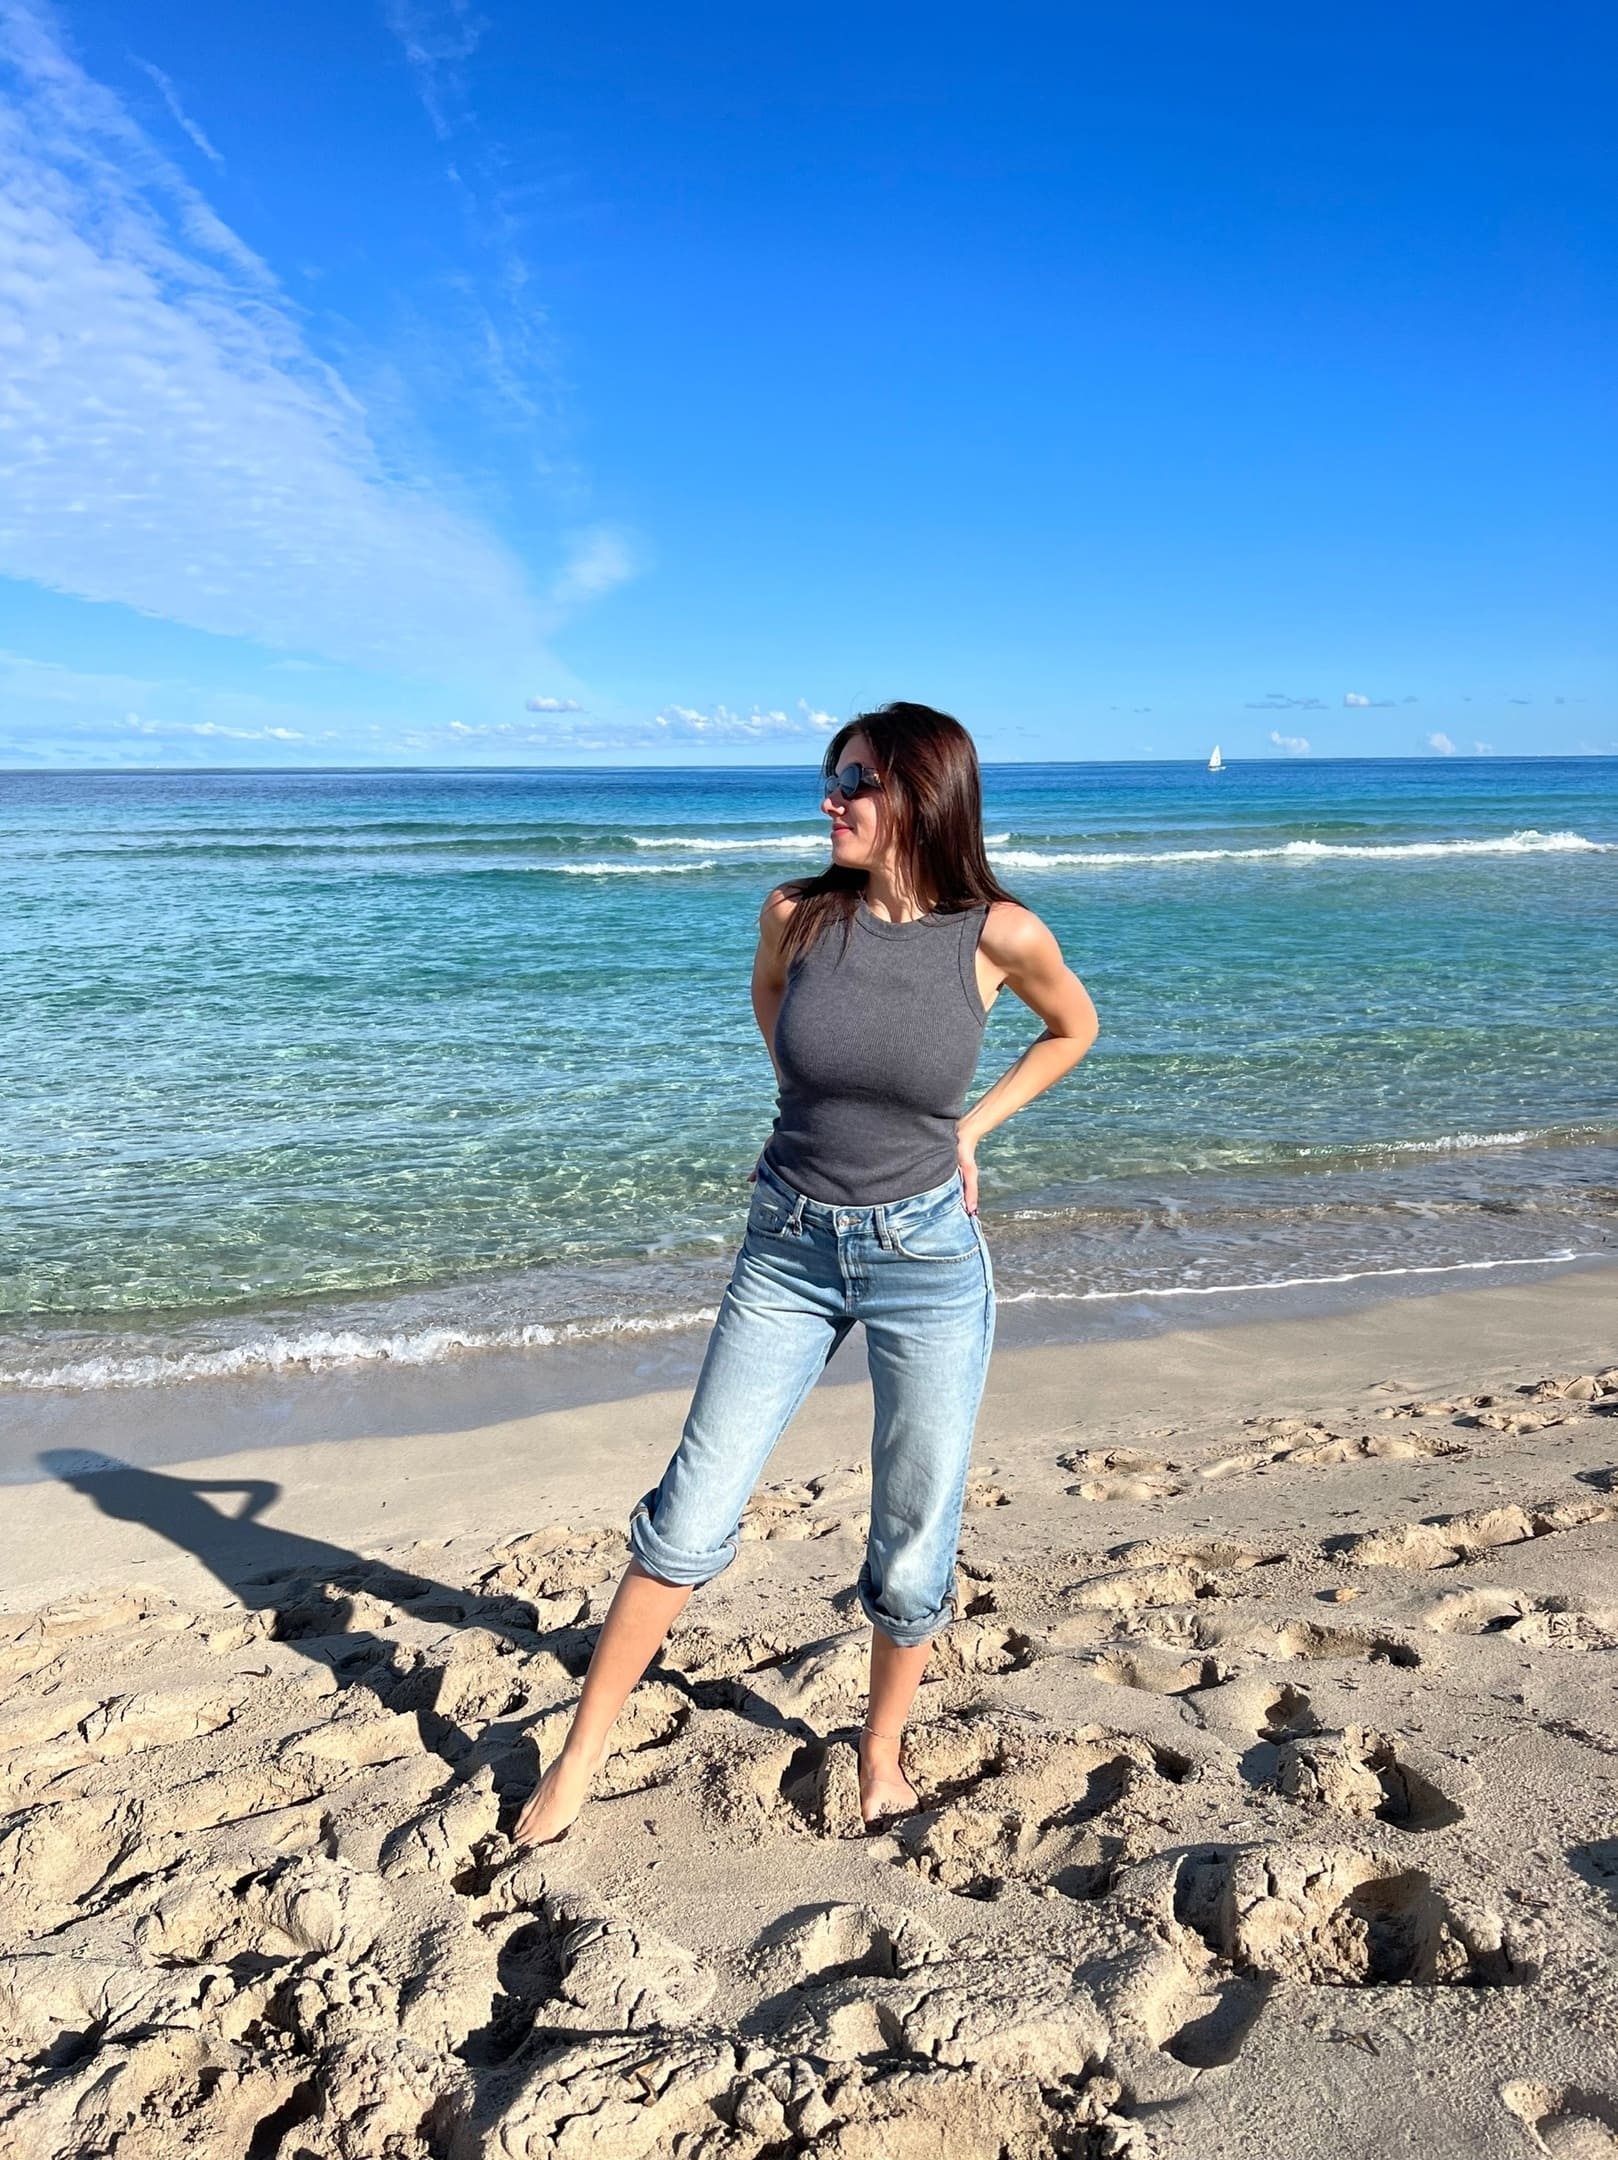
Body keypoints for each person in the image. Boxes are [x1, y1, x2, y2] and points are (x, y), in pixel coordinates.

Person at [514, 701, 1098, 1843]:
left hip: (926, 1259)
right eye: (831, 777)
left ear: (922, 795)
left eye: (856, 781)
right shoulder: (796, 914)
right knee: (689, 1514)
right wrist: (806, 1102)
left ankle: (880, 1751)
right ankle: (579, 1757)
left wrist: (969, 1132)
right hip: (786, 1245)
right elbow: (770, 1001)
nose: (831, 799)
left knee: (913, 1529)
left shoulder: (999, 937)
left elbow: (1072, 1028)